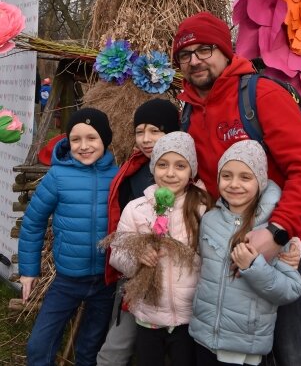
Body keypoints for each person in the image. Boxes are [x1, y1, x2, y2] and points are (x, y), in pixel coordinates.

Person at [172, 11, 301, 366]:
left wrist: (275, 233)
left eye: (204, 49)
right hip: (231, 248)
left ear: (226, 50)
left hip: (283, 244)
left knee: (292, 351)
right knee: (238, 351)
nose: (194, 60)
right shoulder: (189, 112)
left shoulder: (261, 95)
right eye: (185, 54)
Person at [18, 107, 119, 366]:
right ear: (68, 141)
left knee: (89, 350)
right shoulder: (58, 176)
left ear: (105, 139)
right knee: (39, 346)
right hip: (68, 279)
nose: (84, 146)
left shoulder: (117, 176)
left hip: (106, 281)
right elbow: (33, 222)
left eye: (92, 138)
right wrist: (29, 270)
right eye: (76, 139)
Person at [190, 139, 301, 366]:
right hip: (203, 340)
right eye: (227, 175)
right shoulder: (209, 219)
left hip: (244, 350)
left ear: (260, 181)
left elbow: (291, 289)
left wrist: (253, 267)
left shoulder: (272, 232)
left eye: (245, 177)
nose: (234, 184)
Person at [109, 131, 214, 366]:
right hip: (149, 315)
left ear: (191, 171)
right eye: (163, 164)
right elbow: (117, 255)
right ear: (153, 168)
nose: (170, 173)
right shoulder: (137, 209)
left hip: (190, 316)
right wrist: (137, 256)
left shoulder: (202, 207)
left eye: (180, 166)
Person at [97, 98, 180, 366]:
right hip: (135, 268)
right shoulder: (132, 170)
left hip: (176, 276)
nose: (145, 139)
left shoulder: (184, 172)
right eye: (139, 131)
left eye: (155, 131)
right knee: (120, 340)